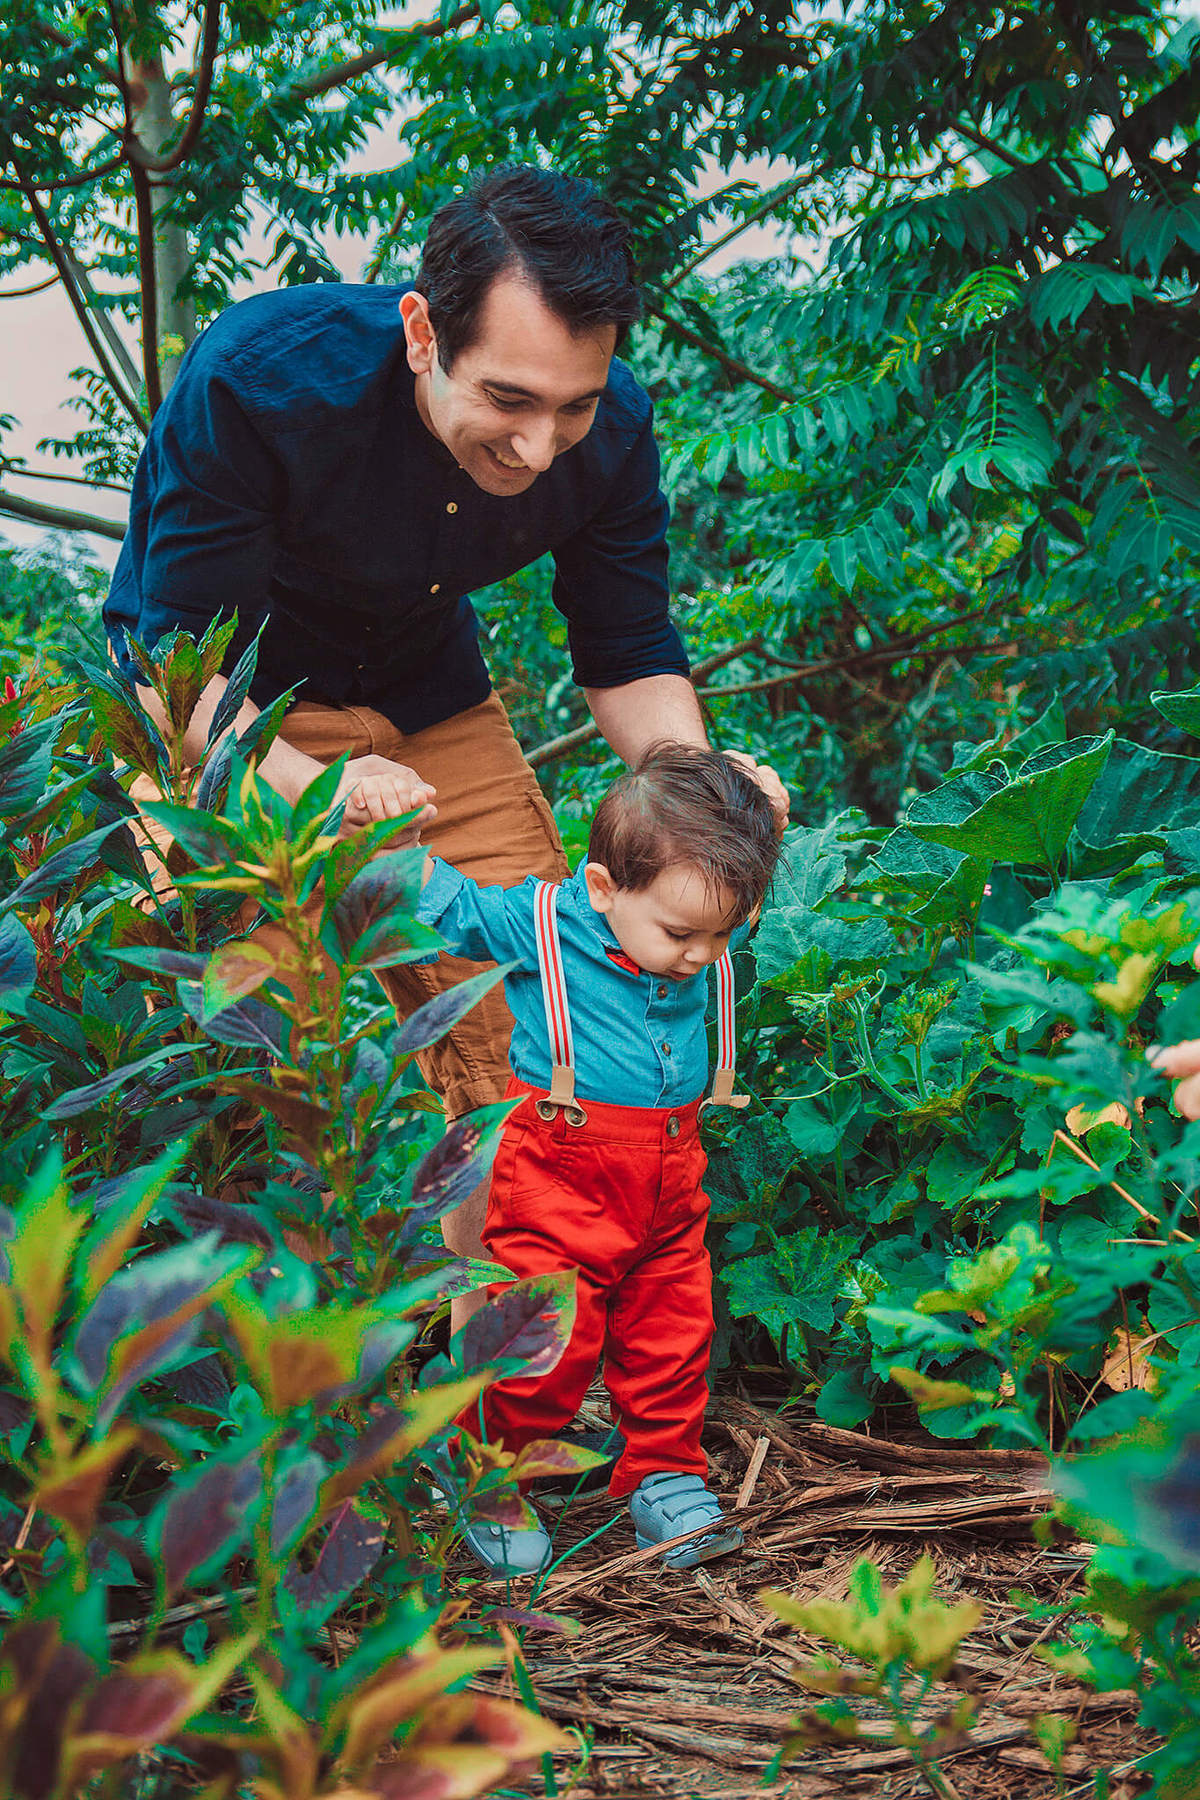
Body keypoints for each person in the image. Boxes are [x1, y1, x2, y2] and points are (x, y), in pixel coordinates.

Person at [103, 163, 787, 1296]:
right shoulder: (261, 383)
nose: (539, 448)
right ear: (422, 332)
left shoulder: (607, 432)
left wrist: (696, 781)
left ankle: (494, 1377)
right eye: (509, 402)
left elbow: (627, 651)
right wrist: (323, 788)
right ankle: (300, 1372)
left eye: (574, 404)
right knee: (269, 1044)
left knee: (536, 1021)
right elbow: (176, 675)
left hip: (429, 705)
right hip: (221, 714)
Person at [416, 744, 783, 1576]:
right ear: (605, 888)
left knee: (674, 1331)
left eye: (723, 934)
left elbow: (725, 888)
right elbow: (449, 906)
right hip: (557, 1176)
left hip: (668, 1177)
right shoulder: (543, 924)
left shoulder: (699, 910)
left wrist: (764, 818)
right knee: (544, 1336)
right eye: (682, 933)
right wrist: (390, 842)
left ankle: (664, 1470)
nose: (700, 955)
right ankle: (480, 1471)